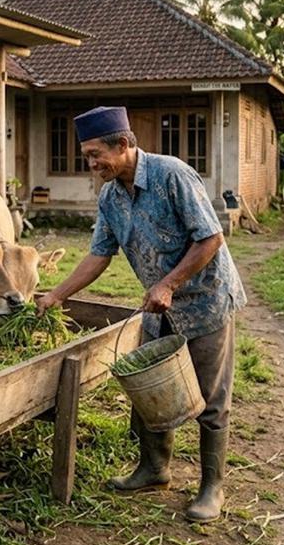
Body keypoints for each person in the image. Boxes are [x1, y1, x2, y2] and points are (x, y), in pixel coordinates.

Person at [37, 105, 245, 522]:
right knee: (150, 389)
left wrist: (169, 284)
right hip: (157, 306)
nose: (92, 164)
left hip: (205, 301)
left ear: (126, 144)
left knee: (211, 398)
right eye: (87, 157)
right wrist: (56, 295)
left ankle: (211, 488)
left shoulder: (172, 175)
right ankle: (154, 469)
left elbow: (211, 238)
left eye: (97, 155)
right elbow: (99, 255)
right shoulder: (110, 197)